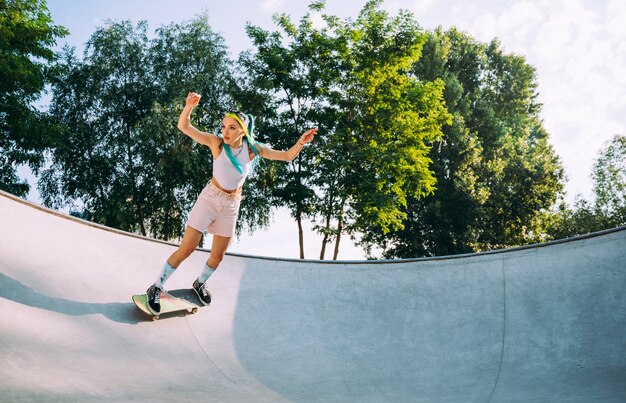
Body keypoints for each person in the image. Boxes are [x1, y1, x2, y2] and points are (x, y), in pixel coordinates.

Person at [145, 92, 317, 314]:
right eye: (223, 126)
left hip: (232, 204)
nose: (225, 132)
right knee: (187, 249)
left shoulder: (252, 149)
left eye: (231, 128)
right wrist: (188, 106)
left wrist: (301, 143)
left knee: (218, 256)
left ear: (242, 131)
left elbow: (286, 156)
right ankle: (156, 287)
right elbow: (184, 126)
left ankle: (199, 283)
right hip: (210, 198)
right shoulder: (216, 143)